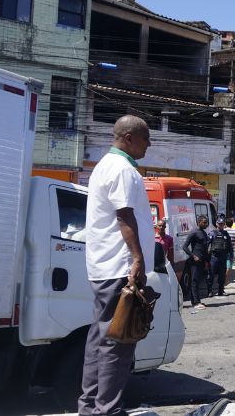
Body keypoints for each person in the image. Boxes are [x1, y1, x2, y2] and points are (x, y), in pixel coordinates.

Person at [80, 115, 154, 415]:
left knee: (100, 339)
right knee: (119, 342)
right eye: (145, 138)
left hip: (104, 266)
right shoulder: (122, 169)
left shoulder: (104, 166)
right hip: (119, 268)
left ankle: (90, 406)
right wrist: (137, 258)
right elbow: (125, 217)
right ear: (128, 138)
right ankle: (107, 409)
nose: (149, 144)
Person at [183, 215, 211, 310]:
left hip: (202, 261)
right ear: (198, 222)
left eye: (206, 222)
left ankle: (195, 300)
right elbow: (185, 247)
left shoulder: (203, 233)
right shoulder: (194, 233)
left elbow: (205, 247)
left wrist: (207, 261)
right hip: (195, 262)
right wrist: (193, 256)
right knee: (194, 281)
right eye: (204, 222)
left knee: (198, 281)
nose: (206, 224)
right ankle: (196, 302)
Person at [208, 219, 233, 297]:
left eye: (222, 224)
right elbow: (206, 243)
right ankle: (210, 291)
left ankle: (221, 291)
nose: (221, 225)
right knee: (211, 275)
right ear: (216, 224)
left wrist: (231, 255)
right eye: (219, 224)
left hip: (223, 256)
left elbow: (229, 246)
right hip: (214, 257)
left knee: (222, 275)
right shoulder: (212, 233)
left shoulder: (226, 234)